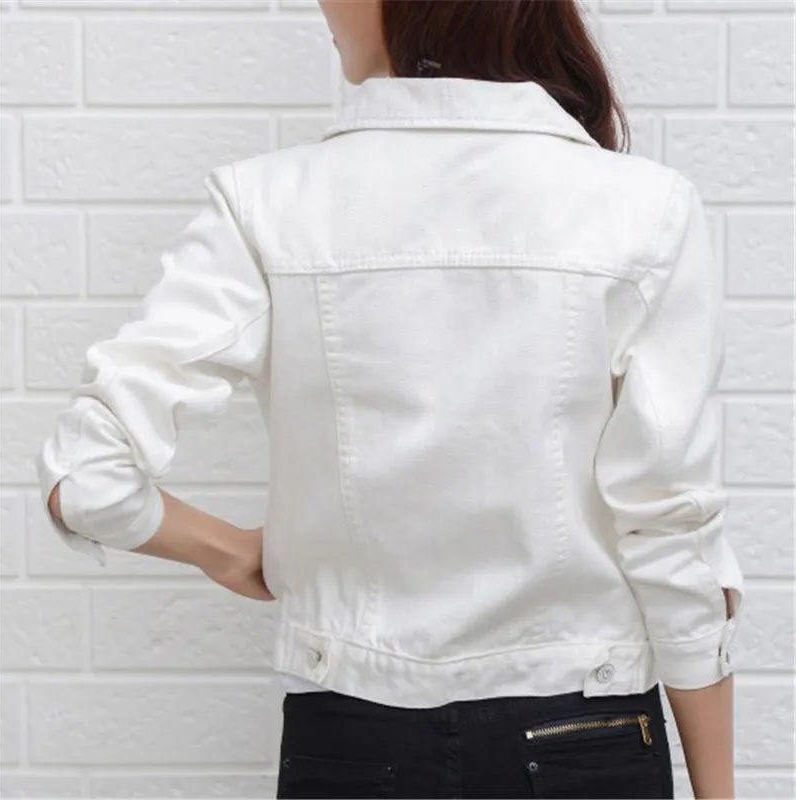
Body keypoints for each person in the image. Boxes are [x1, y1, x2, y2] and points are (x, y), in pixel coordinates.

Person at [37, 1, 745, 798]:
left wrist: (226, 549)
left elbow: (85, 478)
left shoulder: (268, 203)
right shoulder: (644, 208)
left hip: (351, 739)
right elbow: (672, 530)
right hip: (585, 732)